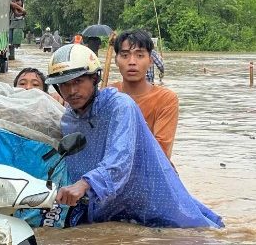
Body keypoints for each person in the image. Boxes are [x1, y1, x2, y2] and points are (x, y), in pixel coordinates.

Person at [45, 43, 224, 228]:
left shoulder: (120, 106)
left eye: (78, 81)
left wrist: (84, 184)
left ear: (94, 78)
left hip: (149, 202)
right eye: (64, 85)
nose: (72, 91)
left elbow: (120, 160)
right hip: (106, 209)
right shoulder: (68, 119)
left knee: (189, 233)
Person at [111, 29, 178, 159]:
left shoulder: (166, 99)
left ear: (150, 60)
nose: (132, 62)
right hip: (110, 171)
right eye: (125, 55)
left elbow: (161, 151)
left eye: (140, 55)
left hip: (151, 170)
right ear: (116, 60)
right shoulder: (108, 95)